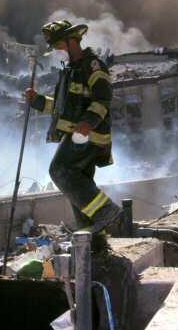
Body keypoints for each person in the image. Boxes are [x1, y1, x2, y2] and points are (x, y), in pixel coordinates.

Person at [25, 20, 121, 234]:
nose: (59, 51)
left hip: (88, 135)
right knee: (80, 186)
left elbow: (103, 98)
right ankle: (92, 236)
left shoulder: (93, 66)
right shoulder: (70, 71)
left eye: (60, 45)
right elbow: (61, 109)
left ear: (72, 41)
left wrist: (87, 124)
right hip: (79, 133)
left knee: (59, 170)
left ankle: (106, 211)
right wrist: (37, 101)